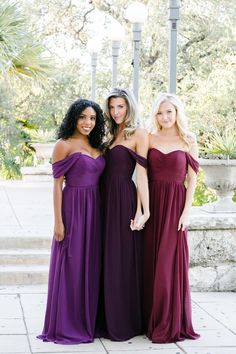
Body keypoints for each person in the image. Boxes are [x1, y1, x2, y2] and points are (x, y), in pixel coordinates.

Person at [37, 98, 105, 344]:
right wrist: (58, 222)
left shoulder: (98, 144)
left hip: (95, 211)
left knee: (91, 266)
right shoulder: (63, 145)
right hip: (73, 208)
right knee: (71, 265)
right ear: (74, 118)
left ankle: (88, 320)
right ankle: (67, 324)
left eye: (93, 118)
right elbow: (57, 185)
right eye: (83, 117)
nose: (88, 123)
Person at [143, 93, 200, 343]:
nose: (164, 117)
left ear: (177, 113)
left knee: (168, 265)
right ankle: (150, 319)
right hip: (153, 204)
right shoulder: (150, 138)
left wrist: (186, 212)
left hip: (176, 206)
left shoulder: (189, 140)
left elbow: (193, 179)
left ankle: (169, 322)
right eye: (160, 112)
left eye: (169, 112)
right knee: (151, 263)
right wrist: (141, 209)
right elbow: (141, 175)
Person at [97, 88, 150, 341]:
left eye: (121, 107)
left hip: (123, 200)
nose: (116, 112)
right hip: (102, 199)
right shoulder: (109, 134)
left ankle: (124, 319)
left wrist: (143, 211)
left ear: (129, 107)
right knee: (105, 256)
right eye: (112, 107)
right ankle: (104, 317)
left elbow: (141, 174)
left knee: (120, 257)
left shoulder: (138, 133)